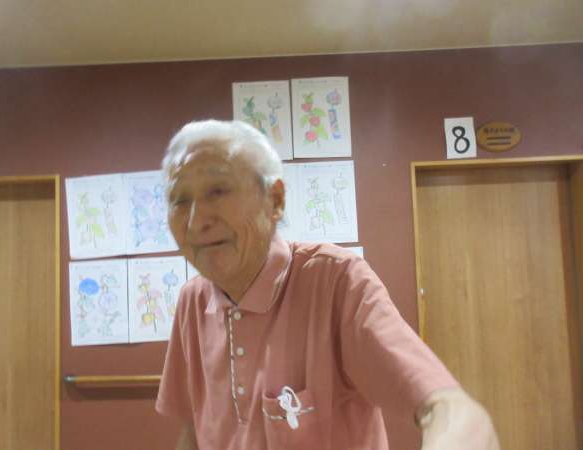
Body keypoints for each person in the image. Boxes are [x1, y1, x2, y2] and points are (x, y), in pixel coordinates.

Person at [156, 119, 500, 450]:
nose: (196, 221)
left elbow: (448, 407)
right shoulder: (192, 302)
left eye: (218, 191)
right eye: (179, 200)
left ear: (275, 200)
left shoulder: (336, 281)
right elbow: (196, 430)